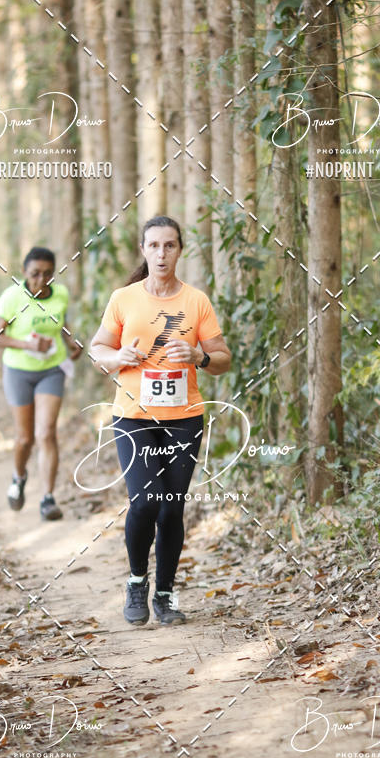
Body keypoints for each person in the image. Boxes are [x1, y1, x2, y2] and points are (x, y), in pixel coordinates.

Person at [90, 215, 231, 626]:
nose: (161, 253)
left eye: (169, 245)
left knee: (171, 508)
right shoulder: (124, 298)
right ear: (143, 250)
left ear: (179, 250)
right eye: (154, 245)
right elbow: (98, 348)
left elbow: (222, 358)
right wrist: (117, 358)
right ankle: (137, 581)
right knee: (146, 500)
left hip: (183, 418)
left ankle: (164, 596)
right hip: (134, 416)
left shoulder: (196, 301)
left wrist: (199, 358)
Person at [0, 246, 82, 520]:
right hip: (19, 371)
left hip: (51, 370)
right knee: (25, 438)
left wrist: (69, 340)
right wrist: (27, 344)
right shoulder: (12, 297)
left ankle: (47, 498)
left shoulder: (61, 294)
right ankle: (19, 477)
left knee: (46, 433)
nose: (40, 280)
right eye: (34, 274)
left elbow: (60, 321)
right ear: (24, 272)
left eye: (47, 274)